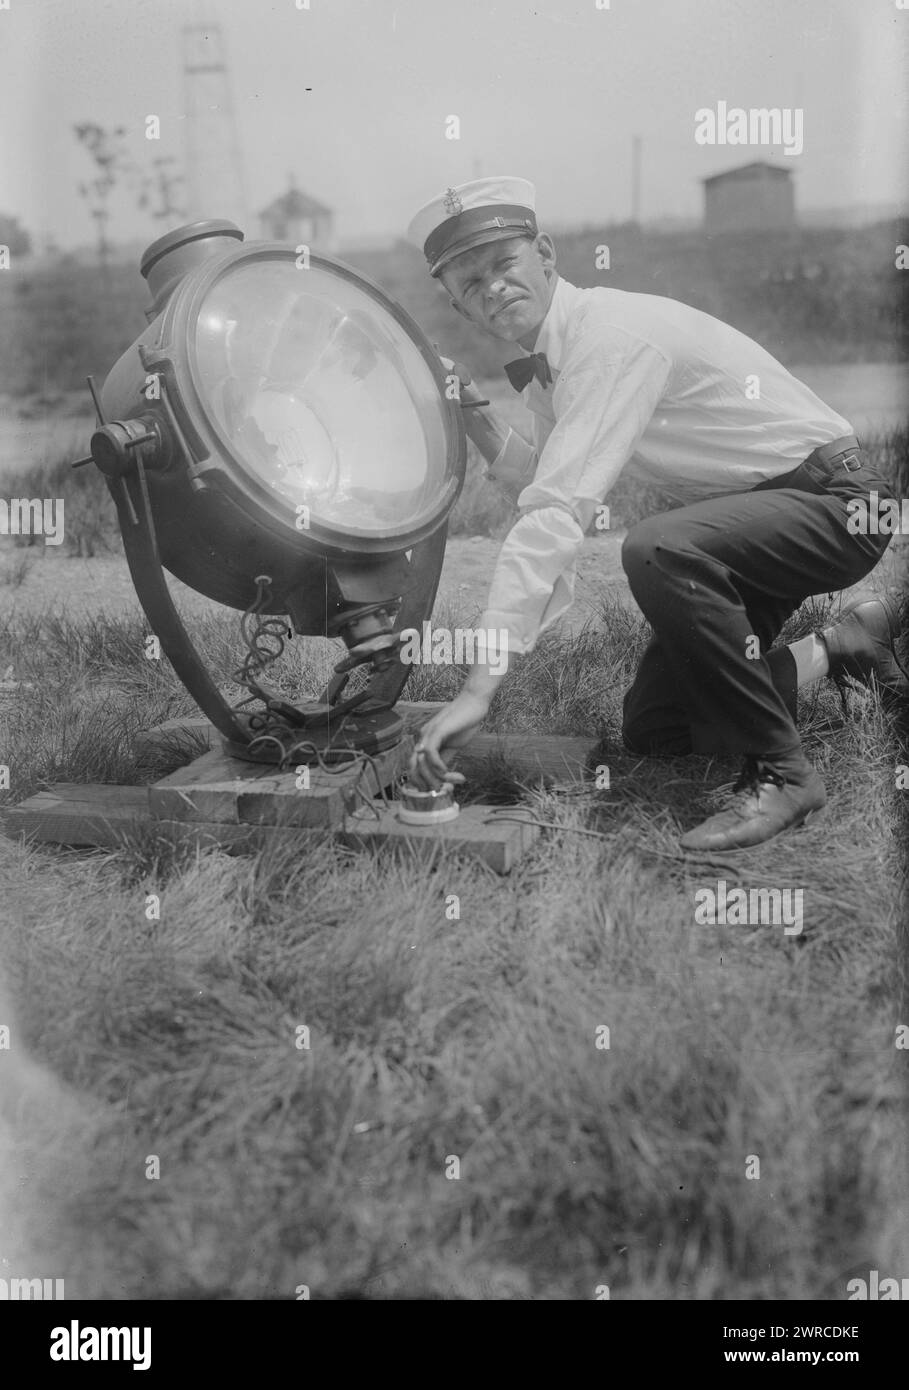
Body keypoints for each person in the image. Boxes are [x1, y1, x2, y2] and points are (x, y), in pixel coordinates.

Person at [404, 177, 906, 850]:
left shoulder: (609, 337)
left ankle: (783, 775)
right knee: (657, 731)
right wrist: (470, 411)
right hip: (752, 526)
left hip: (838, 504)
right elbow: (545, 472)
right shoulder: (557, 361)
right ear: (458, 305)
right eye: (470, 283)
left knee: (656, 548)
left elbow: (555, 508)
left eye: (503, 266)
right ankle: (841, 647)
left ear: (545, 255)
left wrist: (477, 689)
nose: (491, 288)